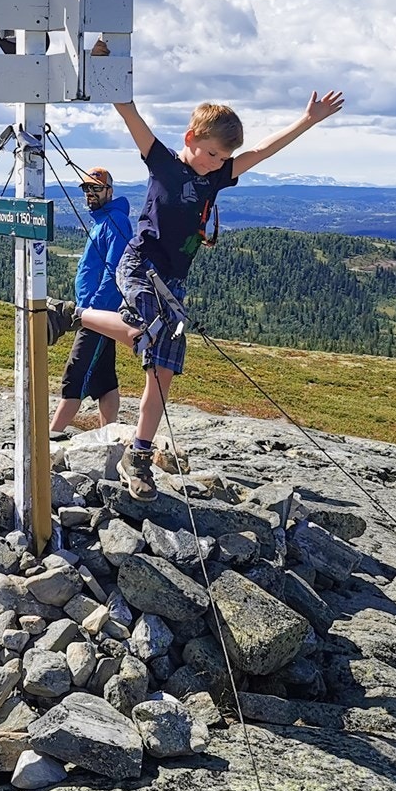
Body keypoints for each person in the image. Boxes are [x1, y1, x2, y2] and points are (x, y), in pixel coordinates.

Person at [50, 91, 344, 501]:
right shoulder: (164, 163)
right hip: (138, 266)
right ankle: (74, 315)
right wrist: (109, 73)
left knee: (163, 369)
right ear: (190, 138)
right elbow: (130, 114)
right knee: (147, 331)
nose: (216, 164)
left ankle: (138, 456)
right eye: (210, 154)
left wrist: (307, 120)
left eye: (223, 159)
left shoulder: (217, 176)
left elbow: (261, 151)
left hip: (173, 282)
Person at [49, 167, 132, 437]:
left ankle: (50, 438)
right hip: (94, 312)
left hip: (97, 314)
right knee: (104, 379)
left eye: (96, 188)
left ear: (110, 190)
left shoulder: (116, 222)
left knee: (75, 375)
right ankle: (110, 436)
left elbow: (114, 271)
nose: (90, 194)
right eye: (86, 189)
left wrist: (91, 309)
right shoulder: (102, 220)